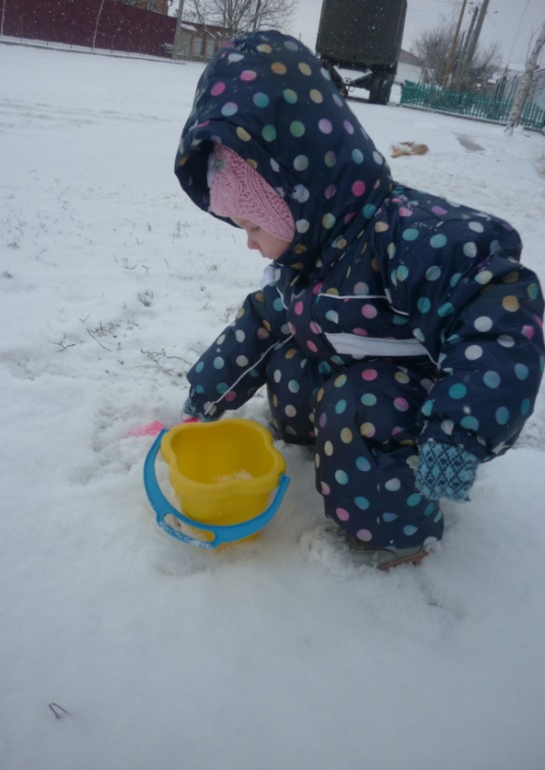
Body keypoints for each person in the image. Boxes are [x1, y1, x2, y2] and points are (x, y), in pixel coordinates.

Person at [173, 30, 545, 569]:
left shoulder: (410, 239)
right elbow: (257, 326)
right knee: (292, 359)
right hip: (363, 381)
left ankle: (397, 535)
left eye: (252, 223)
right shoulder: (306, 257)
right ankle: (314, 453)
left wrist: (460, 428)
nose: (248, 240)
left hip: (425, 407)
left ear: (297, 198)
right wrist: (199, 405)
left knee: (357, 398)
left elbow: (499, 315)